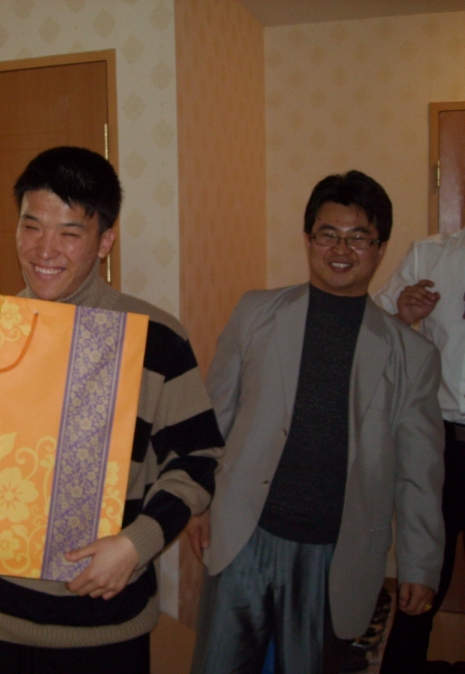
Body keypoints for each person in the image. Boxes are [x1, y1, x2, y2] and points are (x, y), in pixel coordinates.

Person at [0, 146, 225, 674]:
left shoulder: (155, 339)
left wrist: (136, 545)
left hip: (106, 623)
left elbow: (198, 459)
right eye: (31, 226)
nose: (44, 250)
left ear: (105, 241)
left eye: (69, 232)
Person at [188, 170, 445, 674]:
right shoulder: (256, 313)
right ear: (308, 239)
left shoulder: (411, 356)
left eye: (358, 237)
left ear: (380, 248)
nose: (340, 249)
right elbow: (214, 417)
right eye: (328, 234)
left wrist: (420, 563)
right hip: (245, 533)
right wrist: (198, 502)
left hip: (337, 550)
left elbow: (420, 472)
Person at [373, 226, 465, 673]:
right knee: (423, 573)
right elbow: (371, 335)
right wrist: (402, 316)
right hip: (443, 442)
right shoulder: (429, 256)